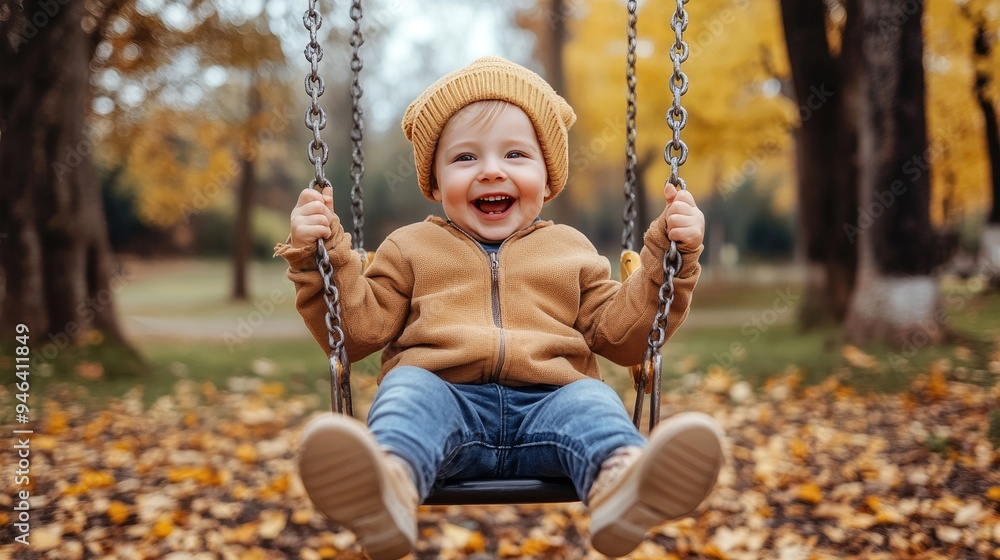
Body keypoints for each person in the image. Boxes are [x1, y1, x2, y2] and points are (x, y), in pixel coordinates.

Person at [275, 56, 725, 560]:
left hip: (551, 405)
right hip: (445, 404)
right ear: (436, 181)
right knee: (407, 393)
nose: (491, 170)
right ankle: (388, 487)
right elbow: (355, 332)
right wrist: (323, 256)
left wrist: (669, 262)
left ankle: (623, 484)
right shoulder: (409, 248)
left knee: (594, 403)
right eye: (465, 158)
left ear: (548, 176)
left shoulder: (572, 250)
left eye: (515, 154)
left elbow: (622, 339)